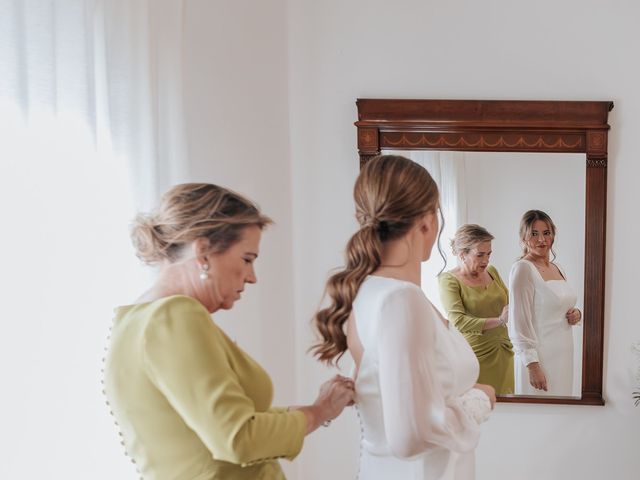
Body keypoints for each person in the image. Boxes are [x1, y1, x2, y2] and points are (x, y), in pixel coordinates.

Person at [103, 183, 355, 480]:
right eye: (247, 259)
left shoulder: (133, 322)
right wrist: (319, 413)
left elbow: (202, 428)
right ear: (204, 252)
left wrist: (312, 409)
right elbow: (238, 438)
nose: (252, 277)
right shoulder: (176, 317)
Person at [312, 155, 495, 480]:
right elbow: (410, 436)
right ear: (427, 221)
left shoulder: (372, 293)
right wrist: (481, 399)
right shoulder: (399, 300)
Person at [508, 209, 581, 396]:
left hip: (563, 353)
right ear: (524, 238)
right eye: (534, 234)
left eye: (546, 233)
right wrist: (532, 366)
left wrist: (576, 314)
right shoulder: (523, 269)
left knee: (563, 410)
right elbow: (518, 322)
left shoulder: (558, 268)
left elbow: (560, 305)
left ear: (553, 235)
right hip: (539, 357)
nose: (541, 240)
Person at [438, 225, 515, 395]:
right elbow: (459, 322)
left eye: (489, 254)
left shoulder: (492, 272)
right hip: (474, 356)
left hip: (504, 351)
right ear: (462, 254)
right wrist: (500, 320)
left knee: (510, 410)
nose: (486, 260)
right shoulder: (449, 281)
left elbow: (511, 304)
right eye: (480, 254)